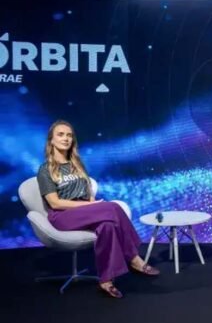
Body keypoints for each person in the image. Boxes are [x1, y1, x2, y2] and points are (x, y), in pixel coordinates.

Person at [37, 120, 159, 299]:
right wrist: (90, 206)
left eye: (69, 135)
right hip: (63, 215)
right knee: (113, 207)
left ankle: (106, 280)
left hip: (85, 211)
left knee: (107, 226)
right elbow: (55, 203)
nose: (66, 138)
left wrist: (91, 204)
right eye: (60, 134)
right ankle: (134, 258)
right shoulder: (45, 170)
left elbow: (88, 194)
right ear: (51, 140)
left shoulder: (76, 164)